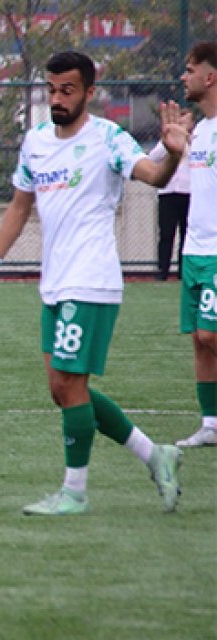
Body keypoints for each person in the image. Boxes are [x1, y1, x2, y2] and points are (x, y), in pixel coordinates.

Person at [0, 50, 188, 516]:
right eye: (51, 89)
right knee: (62, 388)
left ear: (89, 92)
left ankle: (75, 492)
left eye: (67, 90)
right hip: (55, 282)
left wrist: (171, 157)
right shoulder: (35, 142)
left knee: (71, 385)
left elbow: (151, 176)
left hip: (90, 279)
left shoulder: (108, 138)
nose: (57, 98)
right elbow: (19, 205)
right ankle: (156, 454)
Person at [176, 41, 217, 448]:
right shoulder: (201, 130)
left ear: (211, 77)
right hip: (195, 250)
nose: (184, 77)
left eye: (190, 70)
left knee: (212, 335)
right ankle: (211, 424)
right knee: (198, 340)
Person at [147, 137, 189, 280]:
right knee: (166, 234)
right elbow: (152, 158)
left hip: (188, 192)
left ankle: (183, 272)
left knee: (186, 235)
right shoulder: (164, 142)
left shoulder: (196, 141)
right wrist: (169, 144)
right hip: (168, 193)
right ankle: (162, 270)